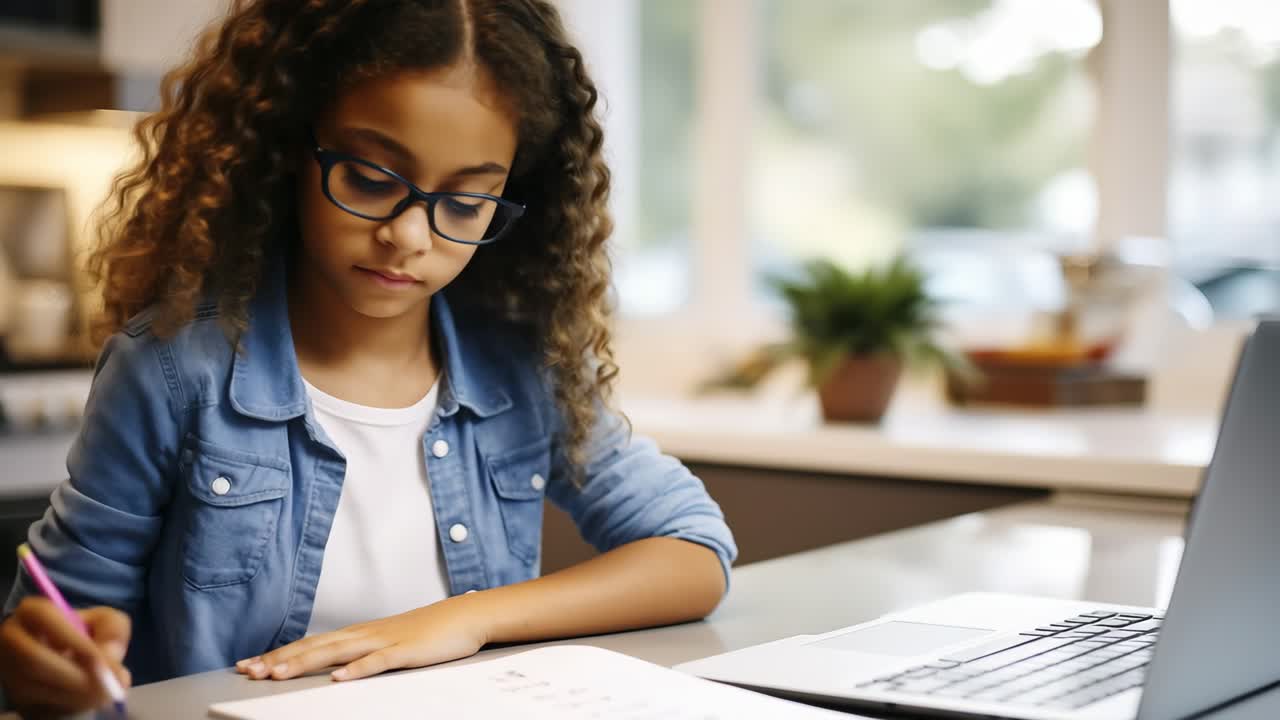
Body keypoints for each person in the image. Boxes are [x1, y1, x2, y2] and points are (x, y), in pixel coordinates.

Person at [0, 1, 736, 716]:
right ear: (289, 148)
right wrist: (54, 666)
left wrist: (467, 617)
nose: (410, 236)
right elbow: (55, 635)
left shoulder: (519, 368)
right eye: (371, 179)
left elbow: (692, 551)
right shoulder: (172, 369)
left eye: (467, 202)